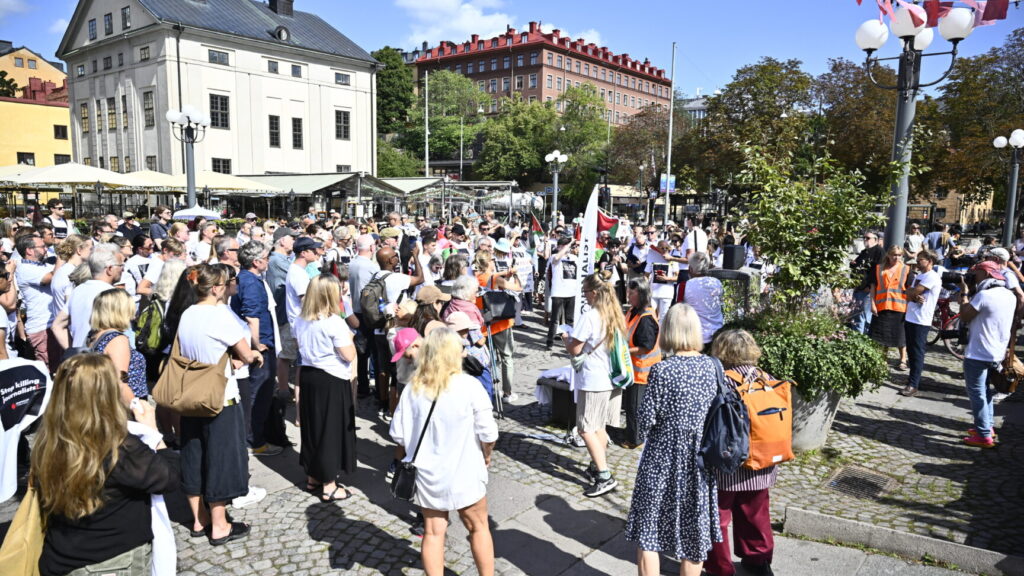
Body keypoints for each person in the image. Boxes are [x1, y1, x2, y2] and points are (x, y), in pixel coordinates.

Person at [33, 354, 179, 576]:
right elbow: (168, 478)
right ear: (105, 393)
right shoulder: (116, 446)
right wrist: (153, 434)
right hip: (112, 562)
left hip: (60, 557)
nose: (123, 386)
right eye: (119, 380)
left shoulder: (49, 441)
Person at [389, 328, 499, 576]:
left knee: (433, 532)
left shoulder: (412, 389)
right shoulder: (469, 386)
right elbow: (489, 434)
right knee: (479, 527)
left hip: (428, 475)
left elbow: (398, 434)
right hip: (465, 471)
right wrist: (487, 454)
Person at [624, 303, 721, 576]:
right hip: (700, 463)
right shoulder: (714, 369)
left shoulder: (662, 371)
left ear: (668, 331)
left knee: (649, 531)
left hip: (661, 461)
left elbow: (643, 423)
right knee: (693, 539)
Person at [175, 264, 263, 545]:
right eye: (226, 283)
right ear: (215, 288)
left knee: (193, 454)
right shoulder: (219, 315)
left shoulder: (187, 313)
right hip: (220, 396)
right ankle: (220, 525)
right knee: (222, 458)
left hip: (190, 394)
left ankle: (198, 519)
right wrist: (254, 355)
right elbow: (247, 354)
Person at [704, 329, 779, 576]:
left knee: (718, 517)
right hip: (762, 461)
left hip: (727, 464)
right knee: (756, 514)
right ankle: (758, 561)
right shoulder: (766, 378)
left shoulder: (719, 381)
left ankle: (720, 568)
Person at [295, 274, 358, 501]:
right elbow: (348, 355)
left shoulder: (301, 320)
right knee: (330, 430)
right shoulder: (334, 323)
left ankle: (313, 476)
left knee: (312, 428)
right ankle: (329, 484)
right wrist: (350, 339)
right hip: (331, 379)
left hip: (310, 376)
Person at [563, 272, 626, 497]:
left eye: (585, 292)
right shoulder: (614, 314)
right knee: (599, 426)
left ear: (595, 293)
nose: (584, 296)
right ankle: (596, 464)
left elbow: (575, 349)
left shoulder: (591, 316)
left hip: (593, 379)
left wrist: (565, 339)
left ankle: (604, 475)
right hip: (610, 377)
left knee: (585, 428)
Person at [957, 260, 1017, 448]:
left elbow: (965, 315)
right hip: (996, 352)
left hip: (978, 352)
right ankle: (987, 426)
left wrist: (965, 293)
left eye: (976, 273)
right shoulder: (1009, 295)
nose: (974, 277)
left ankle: (983, 435)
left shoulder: (984, 295)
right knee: (985, 391)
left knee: (977, 393)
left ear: (986, 274)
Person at [232, 241, 282, 457]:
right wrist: (257, 345)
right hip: (260, 346)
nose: (268, 260)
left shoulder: (247, 279)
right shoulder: (250, 282)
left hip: (261, 343)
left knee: (258, 394)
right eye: (265, 257)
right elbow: (252, 316)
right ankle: (254, 441)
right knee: (258, 394)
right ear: (256, 261)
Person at [474, 250, 520, 401]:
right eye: (492, 260)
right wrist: (515, 274)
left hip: (484, 325)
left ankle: (492, 389)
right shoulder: (495, 279)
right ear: (488, 263)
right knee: (507, 357)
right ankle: (507, 392)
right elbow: (518, 288)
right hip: (501, 323)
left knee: (490, 359)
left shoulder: (475, 278)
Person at [88, 289, 148, 403]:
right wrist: (139, 411)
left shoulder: (94, 335)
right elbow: (120, 384)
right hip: (124, 407)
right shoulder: (118, 340)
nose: (134, 310)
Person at [623, 278, 660, 449]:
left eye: (632, 293)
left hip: (642, 371)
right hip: (631, 368)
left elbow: (645, 347)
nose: (628, 295)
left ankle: (635, 439)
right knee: (630, 405)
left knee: (634, 407)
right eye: (628, 292)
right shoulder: (633, 311)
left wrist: (621, 352)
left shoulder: (646, 318)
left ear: (642, 294)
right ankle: (633, 433)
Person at [901, 249, 941, 397]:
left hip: (921, 320)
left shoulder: (932, 277)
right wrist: (913, 294)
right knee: (911, 351)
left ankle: (913, 384)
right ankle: (912, 379)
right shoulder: (919, 276)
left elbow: (913, 291)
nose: (917, 262)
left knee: (917, 352)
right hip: (910, 317)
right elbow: (907, 294)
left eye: (920, 260)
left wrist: (912, 293)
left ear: (929, 261)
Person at [67, 243, 123, 348]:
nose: (123, 269)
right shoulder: (112, 294)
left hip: (80, 356)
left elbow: (58, 325)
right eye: (121, 266)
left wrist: (71, 350)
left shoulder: (78, 289)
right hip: (102, 360)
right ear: (110, 269)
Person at [14, 232, 58, 367]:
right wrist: (63, 255)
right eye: (42, 246)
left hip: (52, 325)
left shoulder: (44, 265)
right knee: (50, 371)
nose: (46, 249)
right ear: (29, 250)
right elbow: (51, 277)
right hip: (41, 328)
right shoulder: (24, 268)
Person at [868, 245, 910, 370]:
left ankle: (903, 359)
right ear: (888, 255)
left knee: (900, 335)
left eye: (899, 255)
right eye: (894, 255)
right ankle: (883, 359)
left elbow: (910, 288)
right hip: (882, 306)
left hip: (899, 307)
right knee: (883, 335)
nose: (896, 257)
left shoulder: (906, 269)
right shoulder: (878, 268)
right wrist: (872, 303)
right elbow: (873, 287)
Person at [683, 252, 724, 345]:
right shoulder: (717, 282)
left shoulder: (684, 286)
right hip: (717, 334)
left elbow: (679, 311)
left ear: (690, 269)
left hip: (694, 337)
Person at [545, 237, 578, 349]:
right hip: (558, 292)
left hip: (572, 292)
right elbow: (557, 258)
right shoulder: (554, 257)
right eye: (564, 245)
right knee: (555, 319)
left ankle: (570, 342)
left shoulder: (574, 257)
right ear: (559, 246)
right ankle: (550, 341)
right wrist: (568, 246)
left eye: (567, 245)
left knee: (570, 320)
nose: (567, 247)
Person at [850, 230, 884, 334]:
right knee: (857, 315)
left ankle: (862, 340)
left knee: (864, 316)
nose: (865, 240)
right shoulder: (865, 251)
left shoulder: (879, 251)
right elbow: (857, 264)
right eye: (864, 238)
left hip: (868, 289)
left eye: (868, 238)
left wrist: (870, 286)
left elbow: (879, 271)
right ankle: (856, 339)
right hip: (859, 287)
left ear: (876, 240)